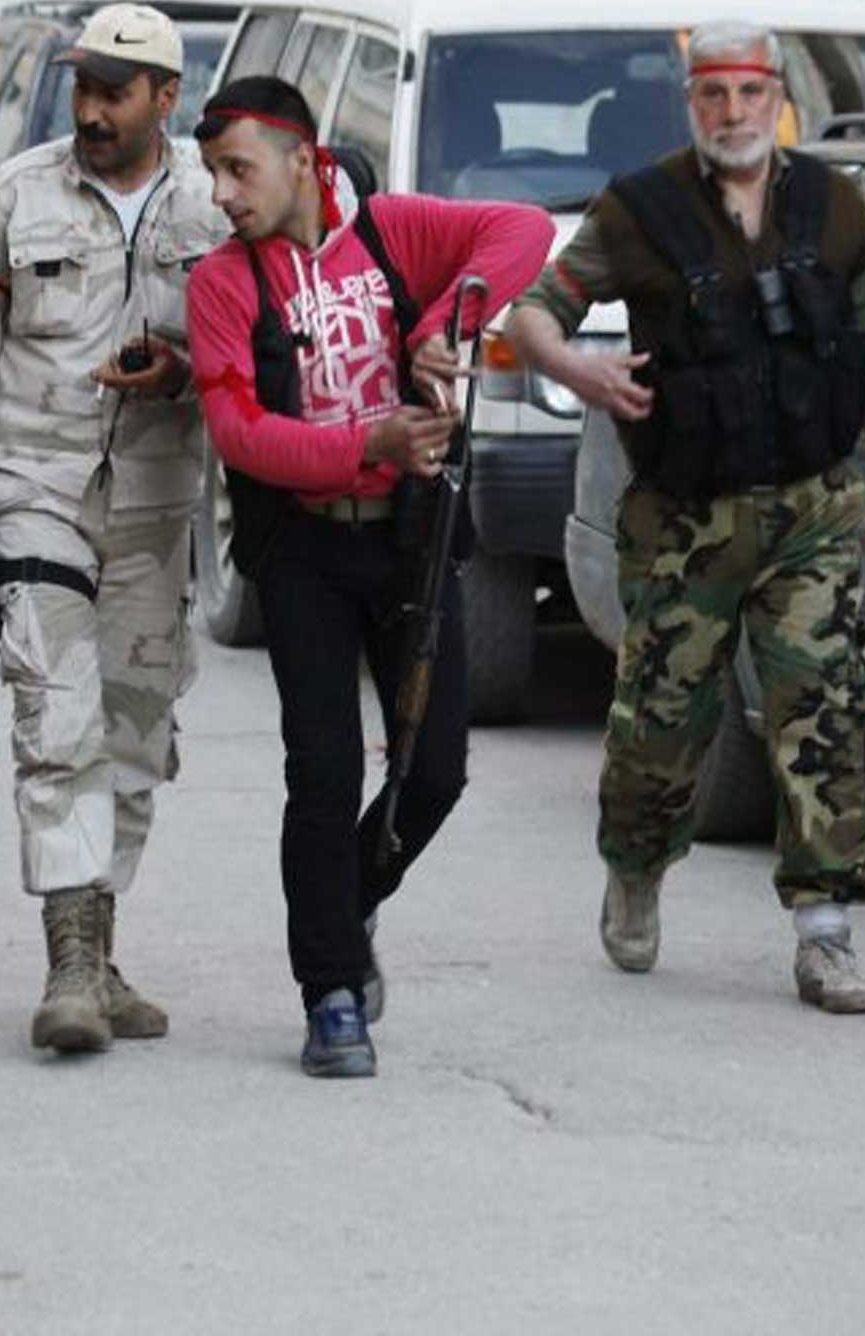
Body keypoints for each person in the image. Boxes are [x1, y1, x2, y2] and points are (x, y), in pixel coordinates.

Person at [502, 20, 865, 1014]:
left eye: (749, 93)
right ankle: (636, 865)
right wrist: (579, 370)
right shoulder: (639, 210)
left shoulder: (832, 205)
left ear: (777, 97)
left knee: (818, 707)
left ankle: (824, 930)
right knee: (661, 722)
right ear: (690, 103)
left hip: (814, 504)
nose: (732, 113)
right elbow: (530, 311)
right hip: (685, 518)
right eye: (712, 95)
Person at [187, 75, 552, 1078]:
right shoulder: (224, 279)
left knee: (434, 769)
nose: (221, 194)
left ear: (301, 160)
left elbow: (522, 230)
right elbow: (241, 434)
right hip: (302, 551)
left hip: (412, 540)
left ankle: (340, 906)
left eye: (237, 170)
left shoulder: (388, 229)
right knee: (321, 772)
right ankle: (331, 991)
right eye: (212, 173)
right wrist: (371, 438)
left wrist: (443, 323)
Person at [0, 4, 223, 1055]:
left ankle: (104, 938)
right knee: (56, 716)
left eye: (113, 92)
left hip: (156, 494)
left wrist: (183, 371)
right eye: (81, 86)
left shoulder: (213, 201)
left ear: (164, 99)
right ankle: (68, 965)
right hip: (34, 484)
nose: (89, 108)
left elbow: (242, 346)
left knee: (133, 728)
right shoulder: (16, 191)